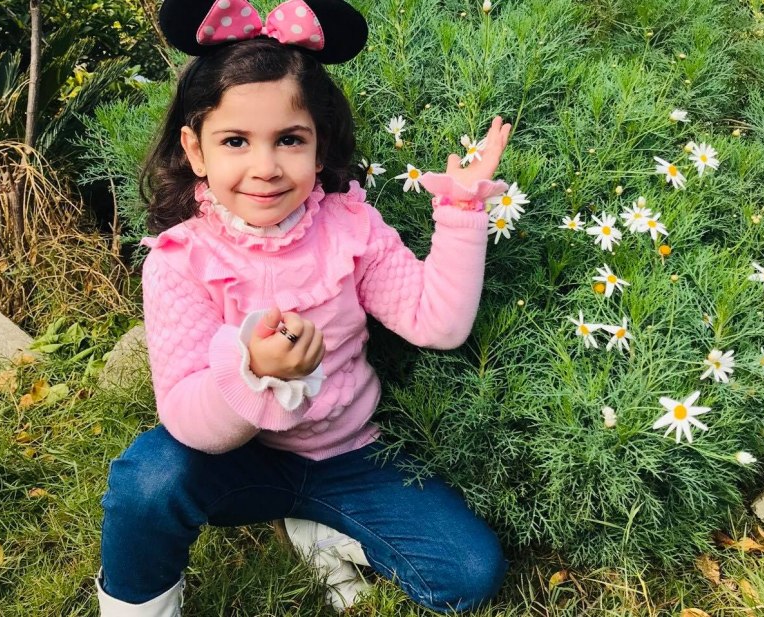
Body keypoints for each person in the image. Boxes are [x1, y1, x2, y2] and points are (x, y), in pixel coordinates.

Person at [96, 1, 513, 615]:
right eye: (235, 141)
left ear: (320, 147)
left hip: (351, 454)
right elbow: (189, 421)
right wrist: (253, 371)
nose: (264, 168)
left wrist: (462, 211)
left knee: (470, 573)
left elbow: (438, 323)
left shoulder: (351, 228)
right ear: (195, 150)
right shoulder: (181, 260)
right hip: (239, 460)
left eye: (289, 140)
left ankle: (322, 528)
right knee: (149, 481)